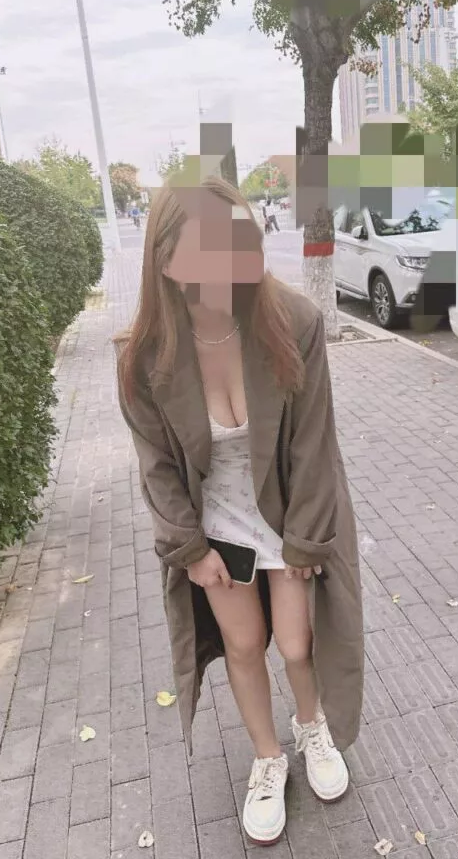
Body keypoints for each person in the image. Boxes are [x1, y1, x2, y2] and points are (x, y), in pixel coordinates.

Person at [114, 176, 363, 846]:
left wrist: (306, 542)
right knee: (244, 645)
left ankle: (312, 727)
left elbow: (315, 446)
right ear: (166, 261)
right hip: (215, 524)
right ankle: (267, 757)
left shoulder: (292, 321)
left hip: (286, 510)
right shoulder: (144, 359)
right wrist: (188, 551)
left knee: (298, 642)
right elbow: (156, 468)